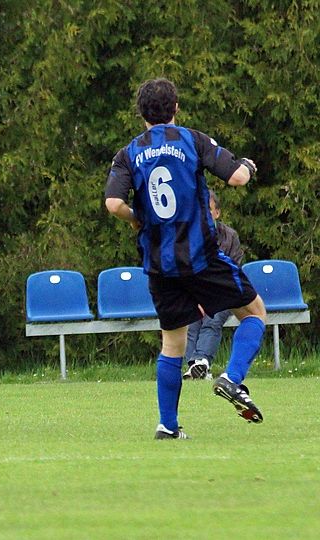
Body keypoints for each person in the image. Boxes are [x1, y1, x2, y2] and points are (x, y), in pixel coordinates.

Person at [104, 78, 267, 440]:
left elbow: (113, 204)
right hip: (201, 256)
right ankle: (231, 377)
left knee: (172, 342)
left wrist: (136, 218)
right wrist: (249, 166)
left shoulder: (128, 153)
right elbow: (237, 177)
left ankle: (168, 425)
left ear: (141, 114)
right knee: (254, 313)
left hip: (160, 265)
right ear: (175, 107)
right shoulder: (193, 140)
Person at [182, 190, 244, 380]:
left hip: (224, 294)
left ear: (217, 213)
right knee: (190, 321)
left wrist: (209, 298)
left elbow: (234, 271)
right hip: (195, 295)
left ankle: (200, 362)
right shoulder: (186, 237)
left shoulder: (230, 237)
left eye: (208, 210)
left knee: (212, 317)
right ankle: (195, 368)